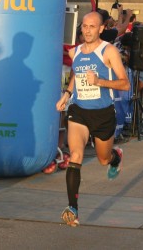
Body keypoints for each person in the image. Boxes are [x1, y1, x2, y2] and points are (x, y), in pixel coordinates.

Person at [56, 11, 130, 227]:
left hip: (103, 113)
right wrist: (67, 95)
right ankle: (73, 209)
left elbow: (124, 83)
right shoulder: (75, 51)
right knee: (76, 154)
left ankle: (115, 157)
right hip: (79, 110)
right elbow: (75, 78)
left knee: (102, 159)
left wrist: (99, 81)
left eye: (92, 27)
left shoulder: (109, 51)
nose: (87, 30)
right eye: (84, 26)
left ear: (101, 29)